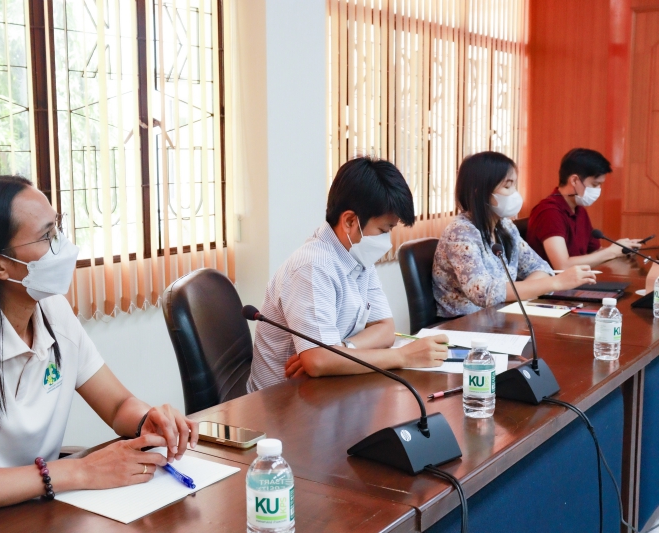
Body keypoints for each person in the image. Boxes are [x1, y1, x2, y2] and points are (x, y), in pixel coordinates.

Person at [0, 176, 197, 523]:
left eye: (58, 228)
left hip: (22, 513)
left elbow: (118, 405)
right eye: (46, 236)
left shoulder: (53, 310)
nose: (62, 246)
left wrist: (149, 420)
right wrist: (78, 471)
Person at [246, 156, 450, 392]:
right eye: (383, 229)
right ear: (350, 221)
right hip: (280, 402)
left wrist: (341, 350)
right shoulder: (312, 267)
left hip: (327, 389)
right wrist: (403, 356)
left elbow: (385, 328)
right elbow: (318, 362)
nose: (387, 240)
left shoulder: (357, 256)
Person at [433, 151, 597, 318]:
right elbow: (484, 293)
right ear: (478, 192)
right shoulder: (460, 232)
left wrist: (518, 295)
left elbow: (541, 268)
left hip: (500, 316)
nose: (514, 193)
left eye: (514, 186)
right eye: (507, 186)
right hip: (463, 323)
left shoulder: (505, 226)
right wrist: (555, 282)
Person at [527, 148, 643, 268]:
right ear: (574, 180)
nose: (598, 190)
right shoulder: (549, 212)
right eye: (595, 184)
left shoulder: (579, 209)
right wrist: (611, 252)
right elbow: (562, 265)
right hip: (553, 279)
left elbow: (593, 253)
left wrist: (621, 250)